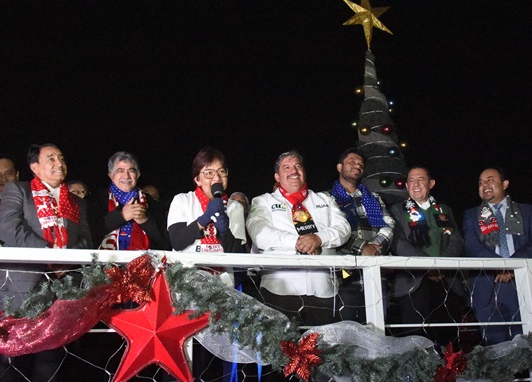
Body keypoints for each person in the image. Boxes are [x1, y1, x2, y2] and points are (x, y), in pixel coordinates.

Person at [0, 143, 92, 382]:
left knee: (52, 358)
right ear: (34, 167)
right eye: (51, 159)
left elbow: (86, 240)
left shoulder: (76, 203)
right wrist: (49, 254)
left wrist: (65, 262)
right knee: (11, 358)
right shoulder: (19, 190)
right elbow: (8, 228)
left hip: (62, 288)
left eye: (61, 158)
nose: (59, 163)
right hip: (19, 285)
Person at [166, 147, 247, 381]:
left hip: (222, 289)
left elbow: (239, 256)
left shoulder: (234, 207)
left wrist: (224, 232)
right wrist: (203, 219)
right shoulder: (183, 200)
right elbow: (177, 240)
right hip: (187, 289)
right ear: (197, 178)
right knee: (189, 355)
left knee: (218, 356)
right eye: (209, 172)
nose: (216, 178)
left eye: (221, 172)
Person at [246, 149, 350, 327]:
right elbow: (260, 234)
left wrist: (318, 238)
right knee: (281, 351)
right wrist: (296, 242)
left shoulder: (325, 199)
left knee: (325, 352)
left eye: (298, 166)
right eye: (286, 167)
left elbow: (344, 228)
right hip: (280, 289)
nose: (293, 171)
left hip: (324, 290)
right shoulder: (262, 201)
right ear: (277, 176)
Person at [463, 167, 532, 345]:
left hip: (522, 282)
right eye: (481, 182)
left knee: (528, 342)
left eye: (490, 180)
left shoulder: (526, 211)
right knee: (495, 346)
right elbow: (471, 246)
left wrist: (512, 265)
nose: (485, 185)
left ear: (505, 184)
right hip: (488, 286)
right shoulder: (471, 215)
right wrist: (498, 265)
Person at [389, 166, 465, 348]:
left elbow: (457, 239)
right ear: (406, 186)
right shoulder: (397, 210)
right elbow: (398, 242)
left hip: (446, 280)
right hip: (414, 282)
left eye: (421, 179)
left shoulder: (444, 210)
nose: (416, 184)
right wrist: (427, 266)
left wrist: (441, 266)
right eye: (411, 180)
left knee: (449, 339)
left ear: (431, 183)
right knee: (416, 338)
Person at [329, 147, 394, 323]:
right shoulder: (327, 199)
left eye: (360, 164)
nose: (357, 165)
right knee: (347, 331)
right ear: (339, 167)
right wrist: (362, 247)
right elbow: (330, 232)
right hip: (344, 276)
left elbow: (389, 225)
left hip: (375, 274)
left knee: (378, 330)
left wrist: (374, 248)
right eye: (352, 162)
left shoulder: (374, 198)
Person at [88, 151, 169, 251]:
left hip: (144, 263)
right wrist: (121, 216)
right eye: (120, 170)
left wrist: (145, 221)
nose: (126, 176)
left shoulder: (151, 202)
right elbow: (88, 236)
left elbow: (166, 243)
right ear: (110, 174)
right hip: (103, 263)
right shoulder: (95, 199)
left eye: (131, 170)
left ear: (138, 174)